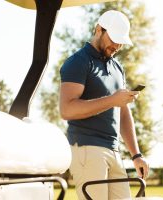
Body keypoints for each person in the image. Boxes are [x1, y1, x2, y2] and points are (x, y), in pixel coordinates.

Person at [59, 10, 150, 200]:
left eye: (121, 41)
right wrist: (112, 100)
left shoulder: (117, 68)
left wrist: (136, 155)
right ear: (99, 30)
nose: (117, 45)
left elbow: (123, 113)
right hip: (87, 148)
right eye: (114, 39)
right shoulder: (78, 62)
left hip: (114, 150)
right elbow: (67, 110)